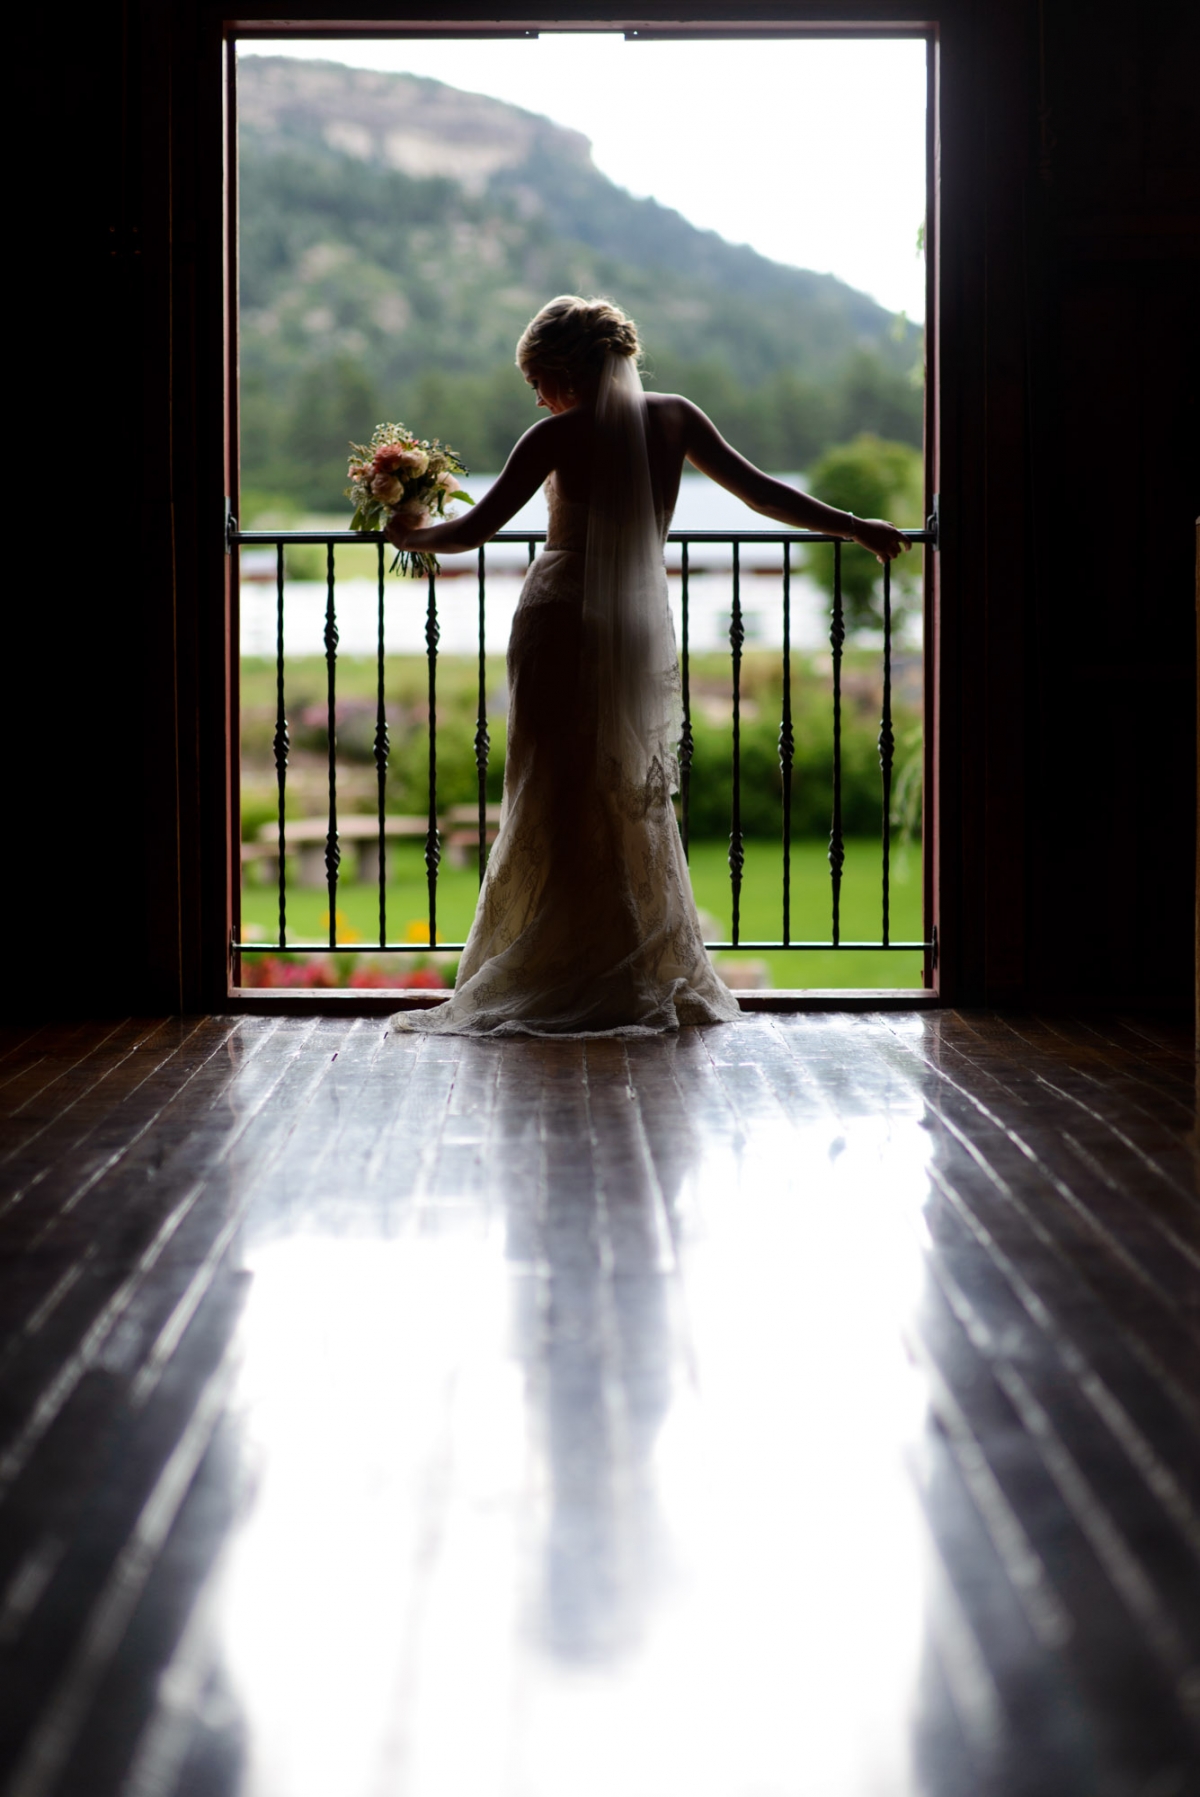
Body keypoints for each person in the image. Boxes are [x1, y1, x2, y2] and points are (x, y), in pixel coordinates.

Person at [386, 295, 910, 1037]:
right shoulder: (677, 418)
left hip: (559, 617)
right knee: (624, 783)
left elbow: (473, 529)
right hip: (633, 619)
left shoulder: (553, 436)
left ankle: (556, 960)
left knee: (552, 784)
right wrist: (852, 525)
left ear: (565, 372)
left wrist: (408, 531)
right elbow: (763, 493)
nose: (535, 396)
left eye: (539, 378)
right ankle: (624, 962)